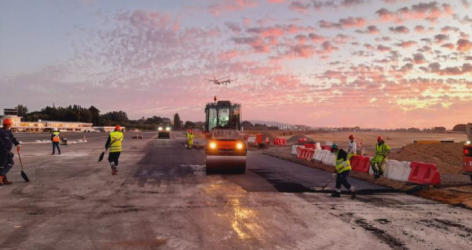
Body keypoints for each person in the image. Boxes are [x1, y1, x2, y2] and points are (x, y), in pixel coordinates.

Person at [0, 118, 21, 185]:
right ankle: (2, 175)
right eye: (10, 124)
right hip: (2, 151)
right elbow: (1, 143)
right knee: (7, 163)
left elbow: (13, 138)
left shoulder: (9, 131)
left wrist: (17, 144)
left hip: (6, 151)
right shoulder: (1, 131)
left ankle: (3, 179)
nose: (11, 125)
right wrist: (6, 151)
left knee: (5, 164)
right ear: (6, 124)